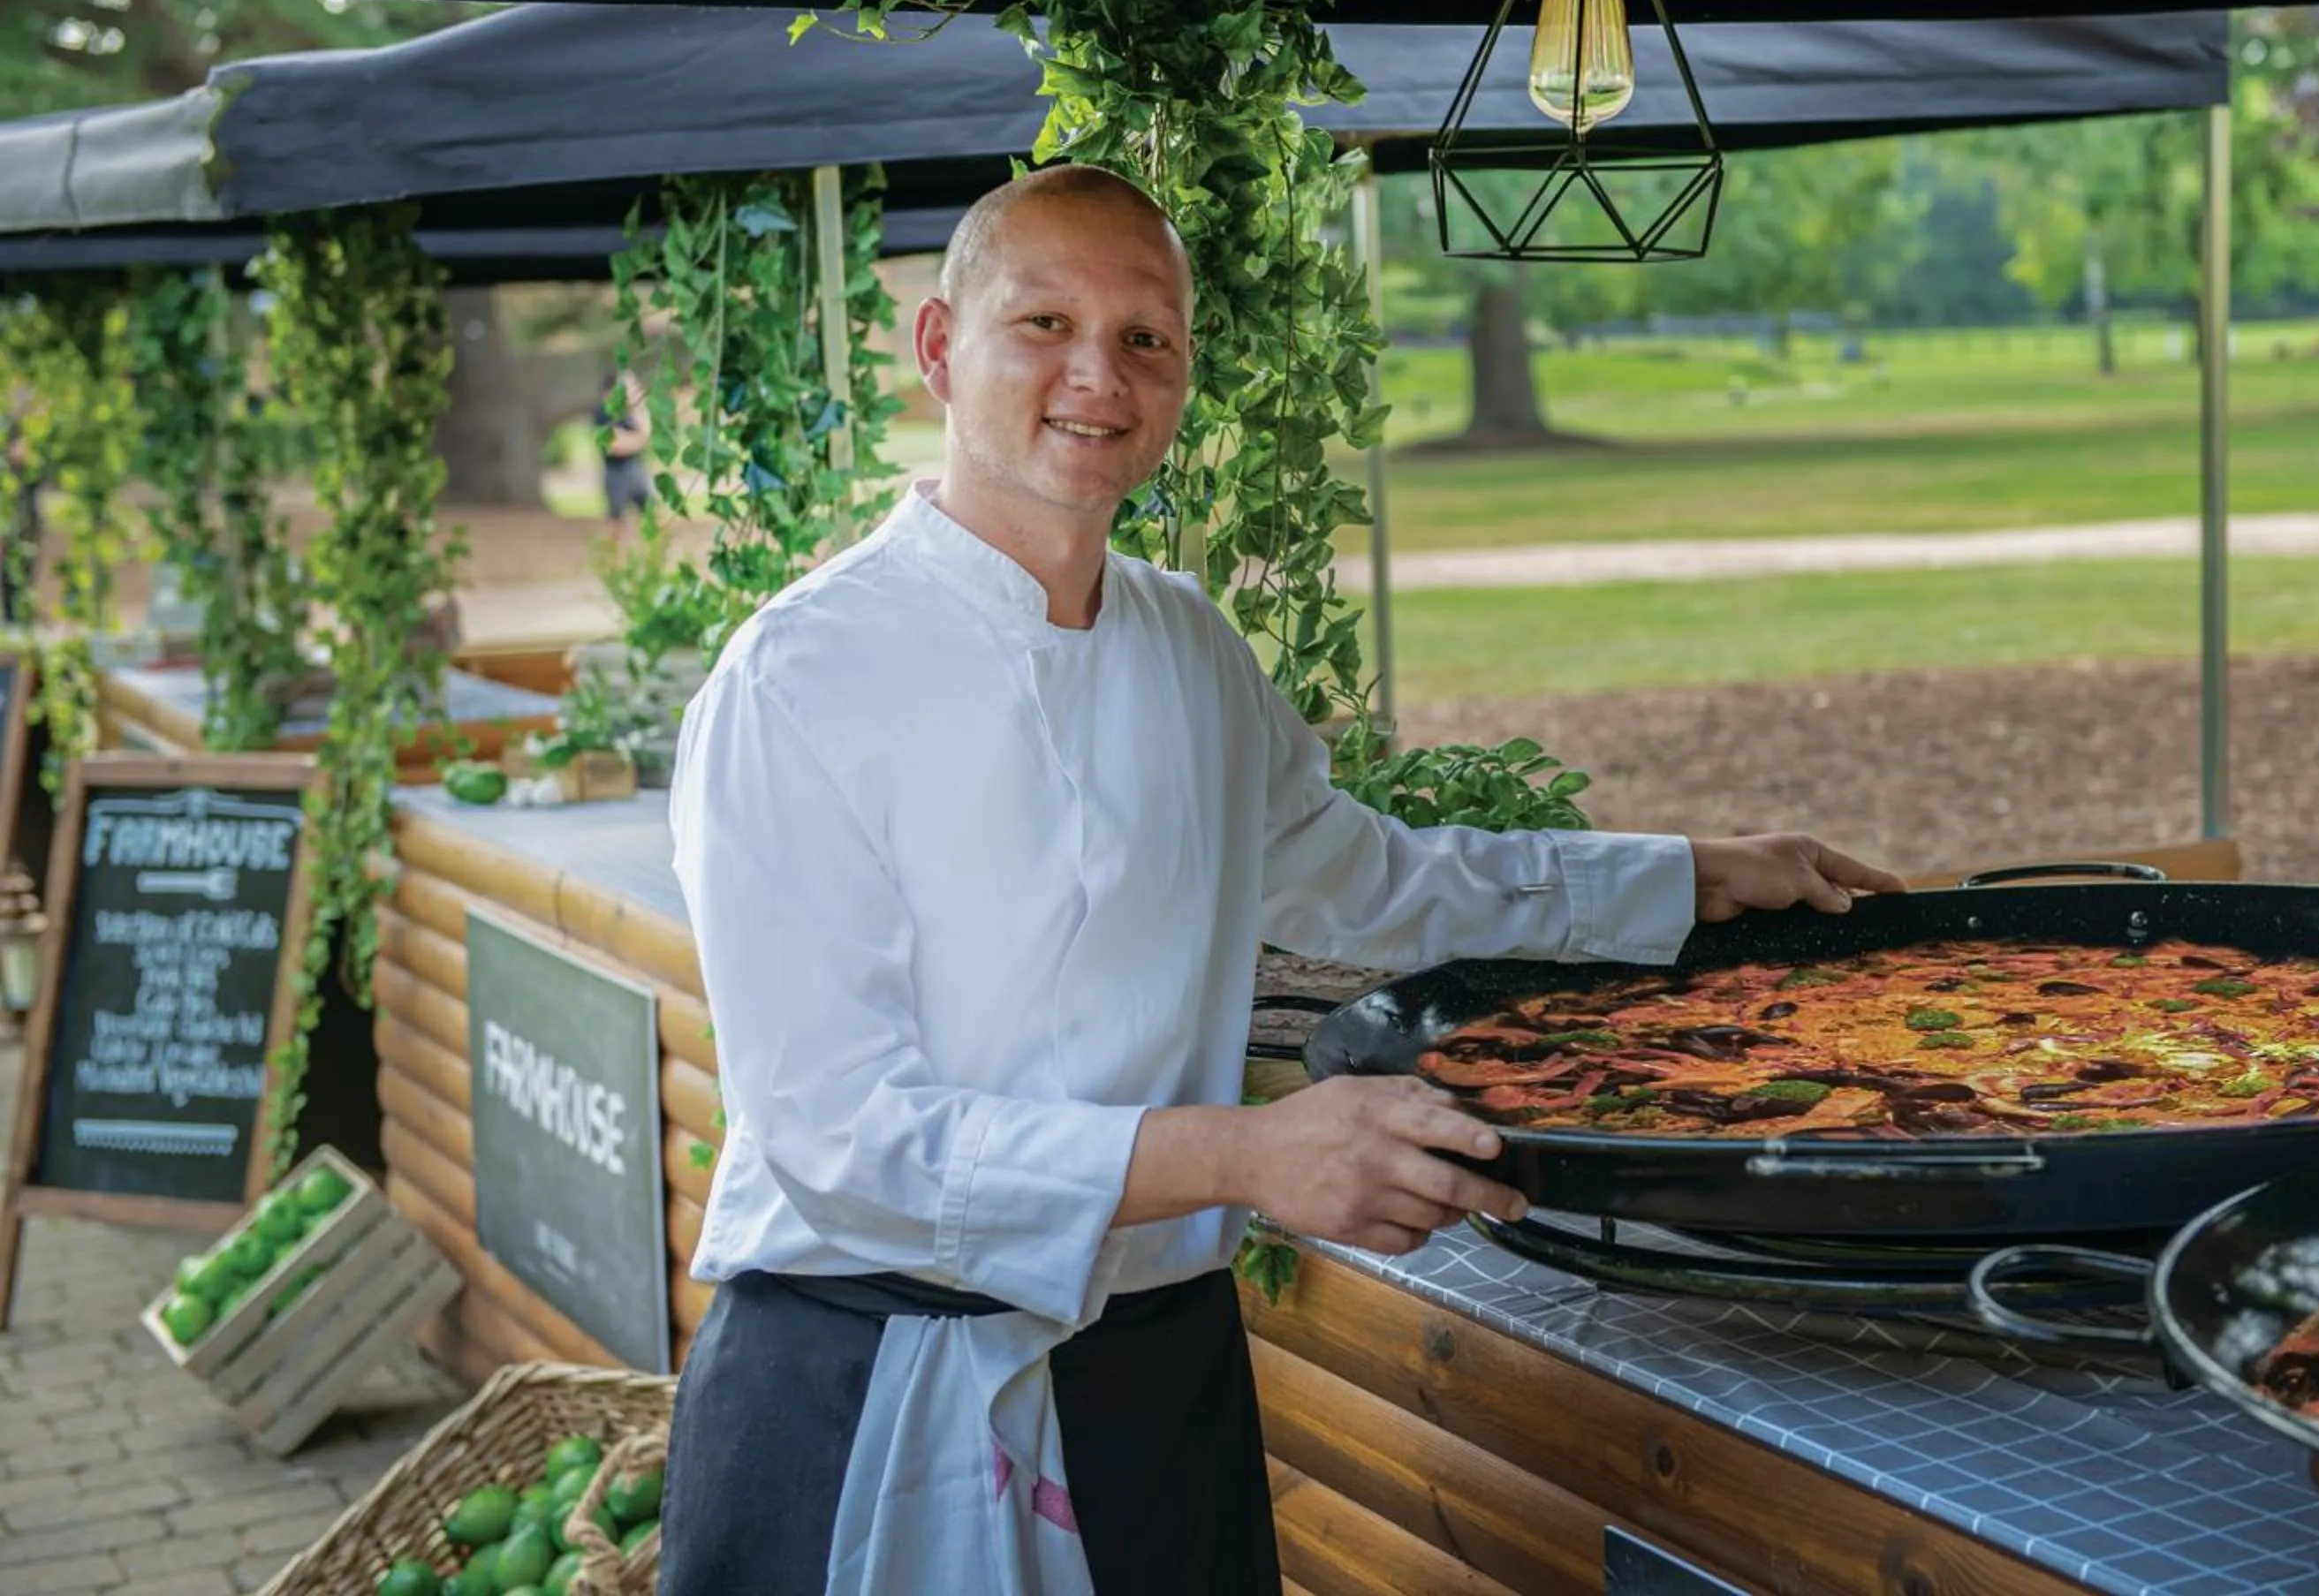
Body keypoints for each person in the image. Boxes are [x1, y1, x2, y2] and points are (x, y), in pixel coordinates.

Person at [659, 164, 1905, 1596]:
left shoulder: (1191, 649)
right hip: (862, 1381)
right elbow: (841, 1140)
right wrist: (1249, 1156)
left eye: (1147, 339)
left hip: (1150, 1377)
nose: (1098, 377)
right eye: (1044, 324)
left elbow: (1369, 879)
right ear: (939, 349)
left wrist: (1680, 879)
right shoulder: (798, 679)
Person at [602, 366, 656, 533]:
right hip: (616, 472)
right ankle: (612, 556)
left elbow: (646, 432)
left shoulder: (630, 414)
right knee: (616, 520)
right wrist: (639, 439)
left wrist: (638, 407)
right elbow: (615, 445)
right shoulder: (604, 414)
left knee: (649, 514)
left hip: (636, 468)